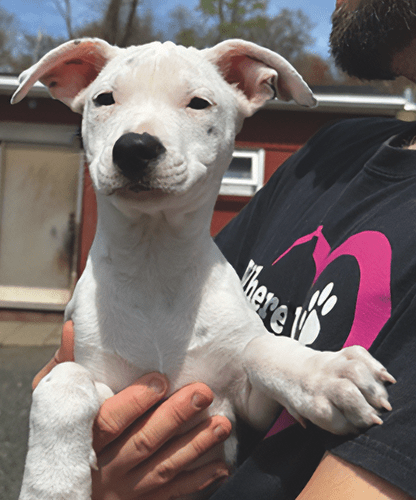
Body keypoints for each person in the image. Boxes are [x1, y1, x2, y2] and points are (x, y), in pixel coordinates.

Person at [34, 0, 416, 498]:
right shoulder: (328, 157)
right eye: (106, 100)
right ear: (72, 86)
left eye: (195, 103)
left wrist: (298, 369)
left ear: (250, 87)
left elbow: (247, 371)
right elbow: (230, 355)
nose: (137, 139)